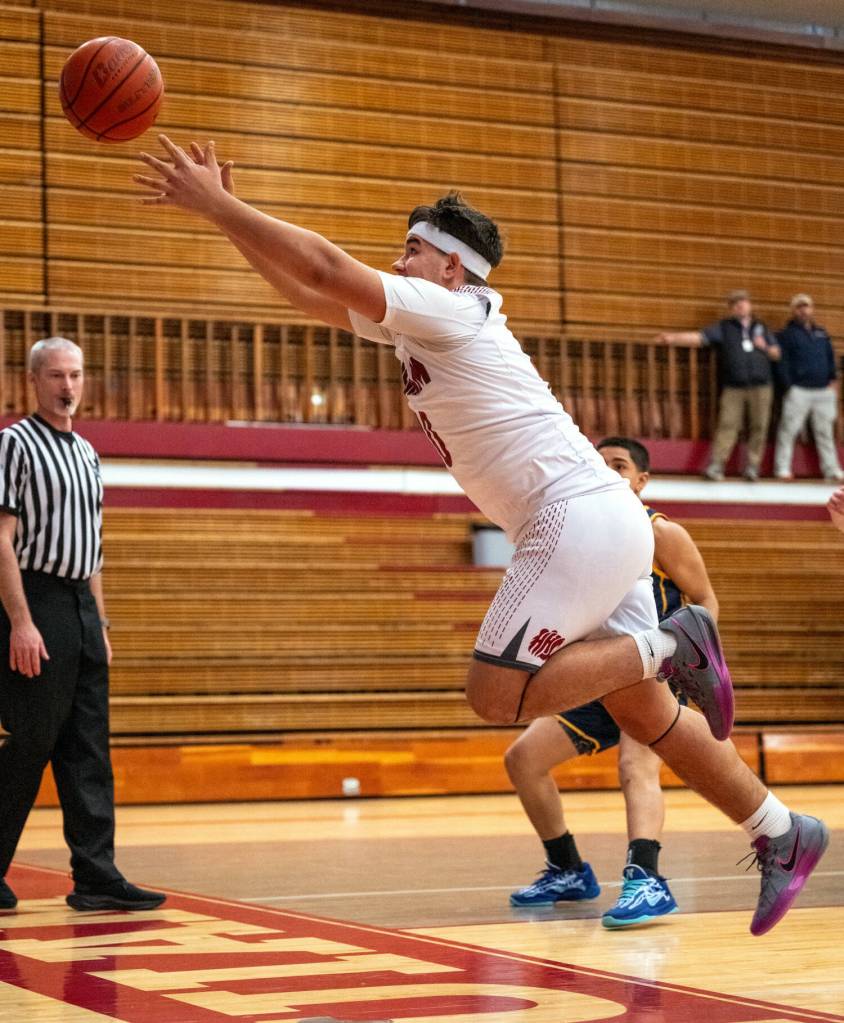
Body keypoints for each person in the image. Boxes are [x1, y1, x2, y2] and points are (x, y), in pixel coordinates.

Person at [134, 136, 828, 935]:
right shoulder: (425, 323)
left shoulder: (450, 309)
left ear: (452, 267)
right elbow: (314, 298)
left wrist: (219, 203)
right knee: (649, 717)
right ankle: (779, 828)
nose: (398, 261)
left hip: (569, 520)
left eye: (413, 250)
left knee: (494, 693)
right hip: (601, 519)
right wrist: (228, 226)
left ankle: (679, 643)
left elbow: (326, 267)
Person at [507, 437, 718, 927]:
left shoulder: (661, 532)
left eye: (618, 466)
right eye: (597, 466)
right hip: (599, 672)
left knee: (635, 765)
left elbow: (707, 601)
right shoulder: (579, 536)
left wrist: (694, 664)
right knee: (523, 760)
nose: (606, 473)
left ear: (642, 481)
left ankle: (647, 880)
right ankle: (567, 870)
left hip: (653, 670)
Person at [0, 337, 166, 913]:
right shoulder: (13, 444)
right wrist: (20, 622)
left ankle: (96, 874)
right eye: (55, 376)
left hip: (80, 605)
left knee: (88, 747)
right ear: (33, 381)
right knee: (30, 741)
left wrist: (101, 623)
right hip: (35, 601)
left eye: (74, 375)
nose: (67, 386)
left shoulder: (88, 454)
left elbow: (92, 547)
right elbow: (1, 539)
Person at [657, 290, 780, 482]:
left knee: (759, 426)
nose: (740, 305)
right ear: (731, 308)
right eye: (735, 303)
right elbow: (700, 338)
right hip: (734, 386)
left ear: (750, 305)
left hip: (761, 385)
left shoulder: (761, 328)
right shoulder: (724, 327)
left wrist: (763, 346)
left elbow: (776, 353)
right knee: (727, 425)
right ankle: (717, 465)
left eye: (743, 302)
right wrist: (672, 338)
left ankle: (753, 467)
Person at [773, 294, 843, 483]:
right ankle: (782, 468)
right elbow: (781, 362)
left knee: (825, 431)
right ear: (793, 310)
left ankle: (831, 469)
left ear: (812, 309)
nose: (804, 310)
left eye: (807, 306)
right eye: (799, 307)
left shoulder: (821, 333)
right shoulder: (786, 335)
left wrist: (833, 381)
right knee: (789, 430)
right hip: (799, 391)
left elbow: (830, 358)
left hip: (823, 390)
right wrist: (789, 386)